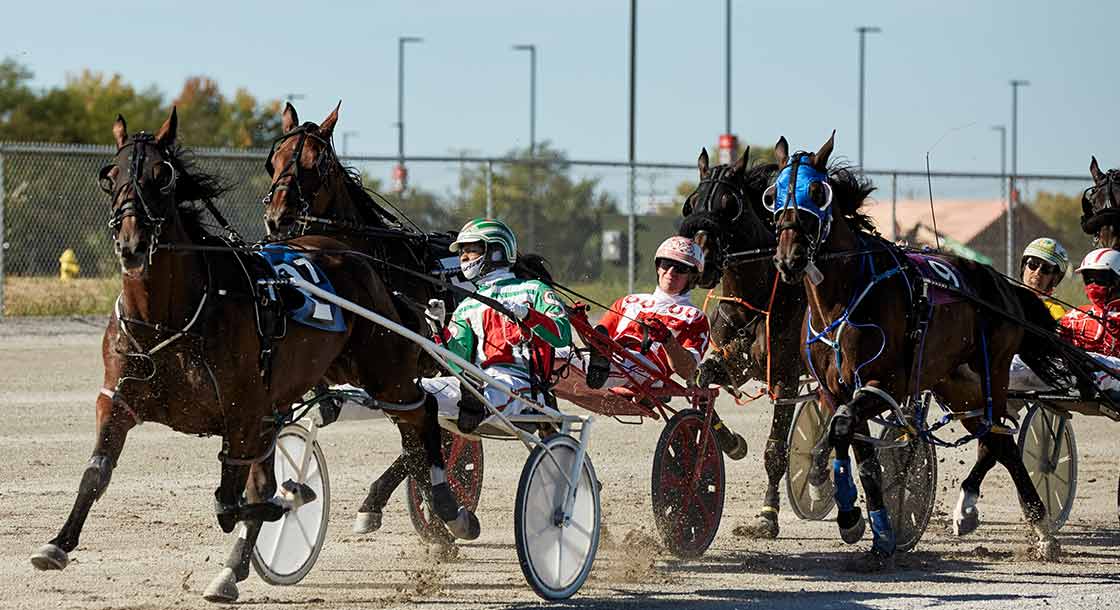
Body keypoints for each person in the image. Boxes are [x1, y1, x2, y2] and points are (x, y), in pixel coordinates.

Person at [421, 217, 571, 433]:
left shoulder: (533, 289)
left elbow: (562, 335)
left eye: (471, 249)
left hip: (522, 386)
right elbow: (457, 363)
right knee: (417, 391)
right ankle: (363, 398)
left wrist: (527, 314)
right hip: (475, 384)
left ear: (496, 250)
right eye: (461, 251)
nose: (463, 257)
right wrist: (439, 329)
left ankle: (477, 402)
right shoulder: (467, 305)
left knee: (488, 393)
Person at [553, 235, 710, 402]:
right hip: (611, 360)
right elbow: (597, 344)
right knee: (543, 356)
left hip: (647, 373)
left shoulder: (694, 317)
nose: (670, 272)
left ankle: (602, 368)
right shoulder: (629, 302)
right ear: (658, 267)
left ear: (692, 276)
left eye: (680, 268)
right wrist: (580, 323)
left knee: (605, 360)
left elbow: (688, 371)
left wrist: (667, 339)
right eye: (666, 264)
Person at [1010, 248, 1120, 395]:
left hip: (1107, 371)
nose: (1092, 284)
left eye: (1100, 279)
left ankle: (1087, 379)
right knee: (1018, 361)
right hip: (1071, 367)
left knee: (1090, 364)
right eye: (1088, 279)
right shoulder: (1076, 315)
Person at [1020, 237, 1070, 320]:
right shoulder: (1006, 295)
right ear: (1024, 267)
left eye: (1046, 269)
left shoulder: (1058, 314)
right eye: (1033, 264)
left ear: (1055, 278)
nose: (1037, 272)